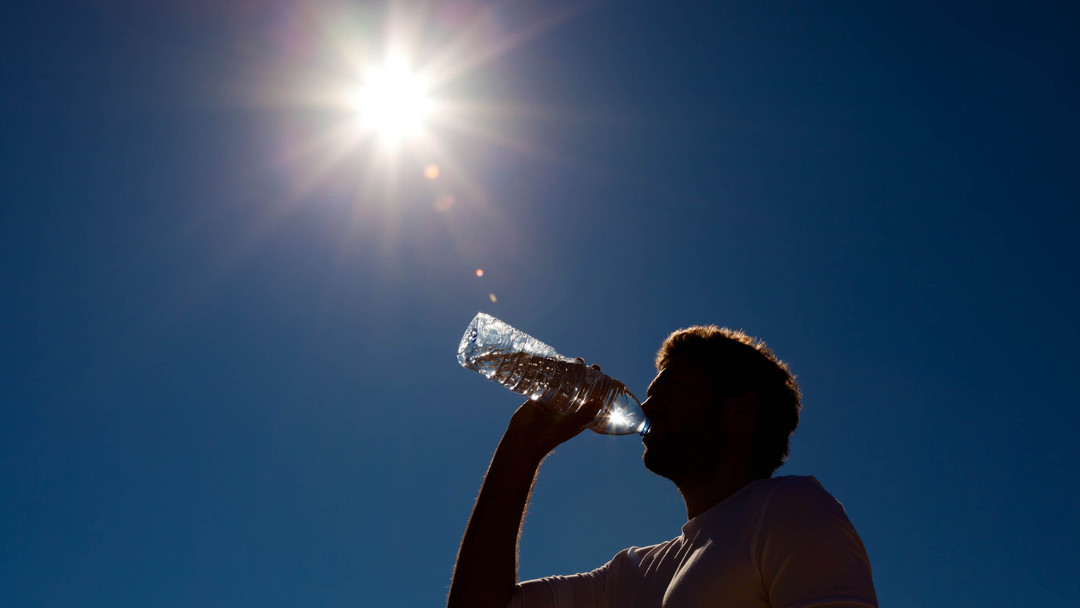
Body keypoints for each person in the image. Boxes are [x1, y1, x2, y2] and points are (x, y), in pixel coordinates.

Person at [447, 325, 877, 608]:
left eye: (673, 389)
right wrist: (520, 449)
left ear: (740, 409)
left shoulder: (790, 508)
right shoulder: (632, 574)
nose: (648, 405)